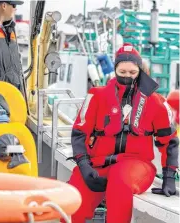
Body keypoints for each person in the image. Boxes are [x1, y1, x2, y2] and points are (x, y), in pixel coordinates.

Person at [67, 43, 179, 223]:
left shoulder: (156, 102)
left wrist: (169, 178)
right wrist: (84, 165)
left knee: (120, 181)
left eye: (132, 73)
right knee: (72, 198)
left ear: (140, 71)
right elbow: (79, 133)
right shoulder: (96, 96)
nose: (127, 77)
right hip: (98, 163)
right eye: (122, 72)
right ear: (115, 69)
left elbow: (170, 141)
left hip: (136, 165)